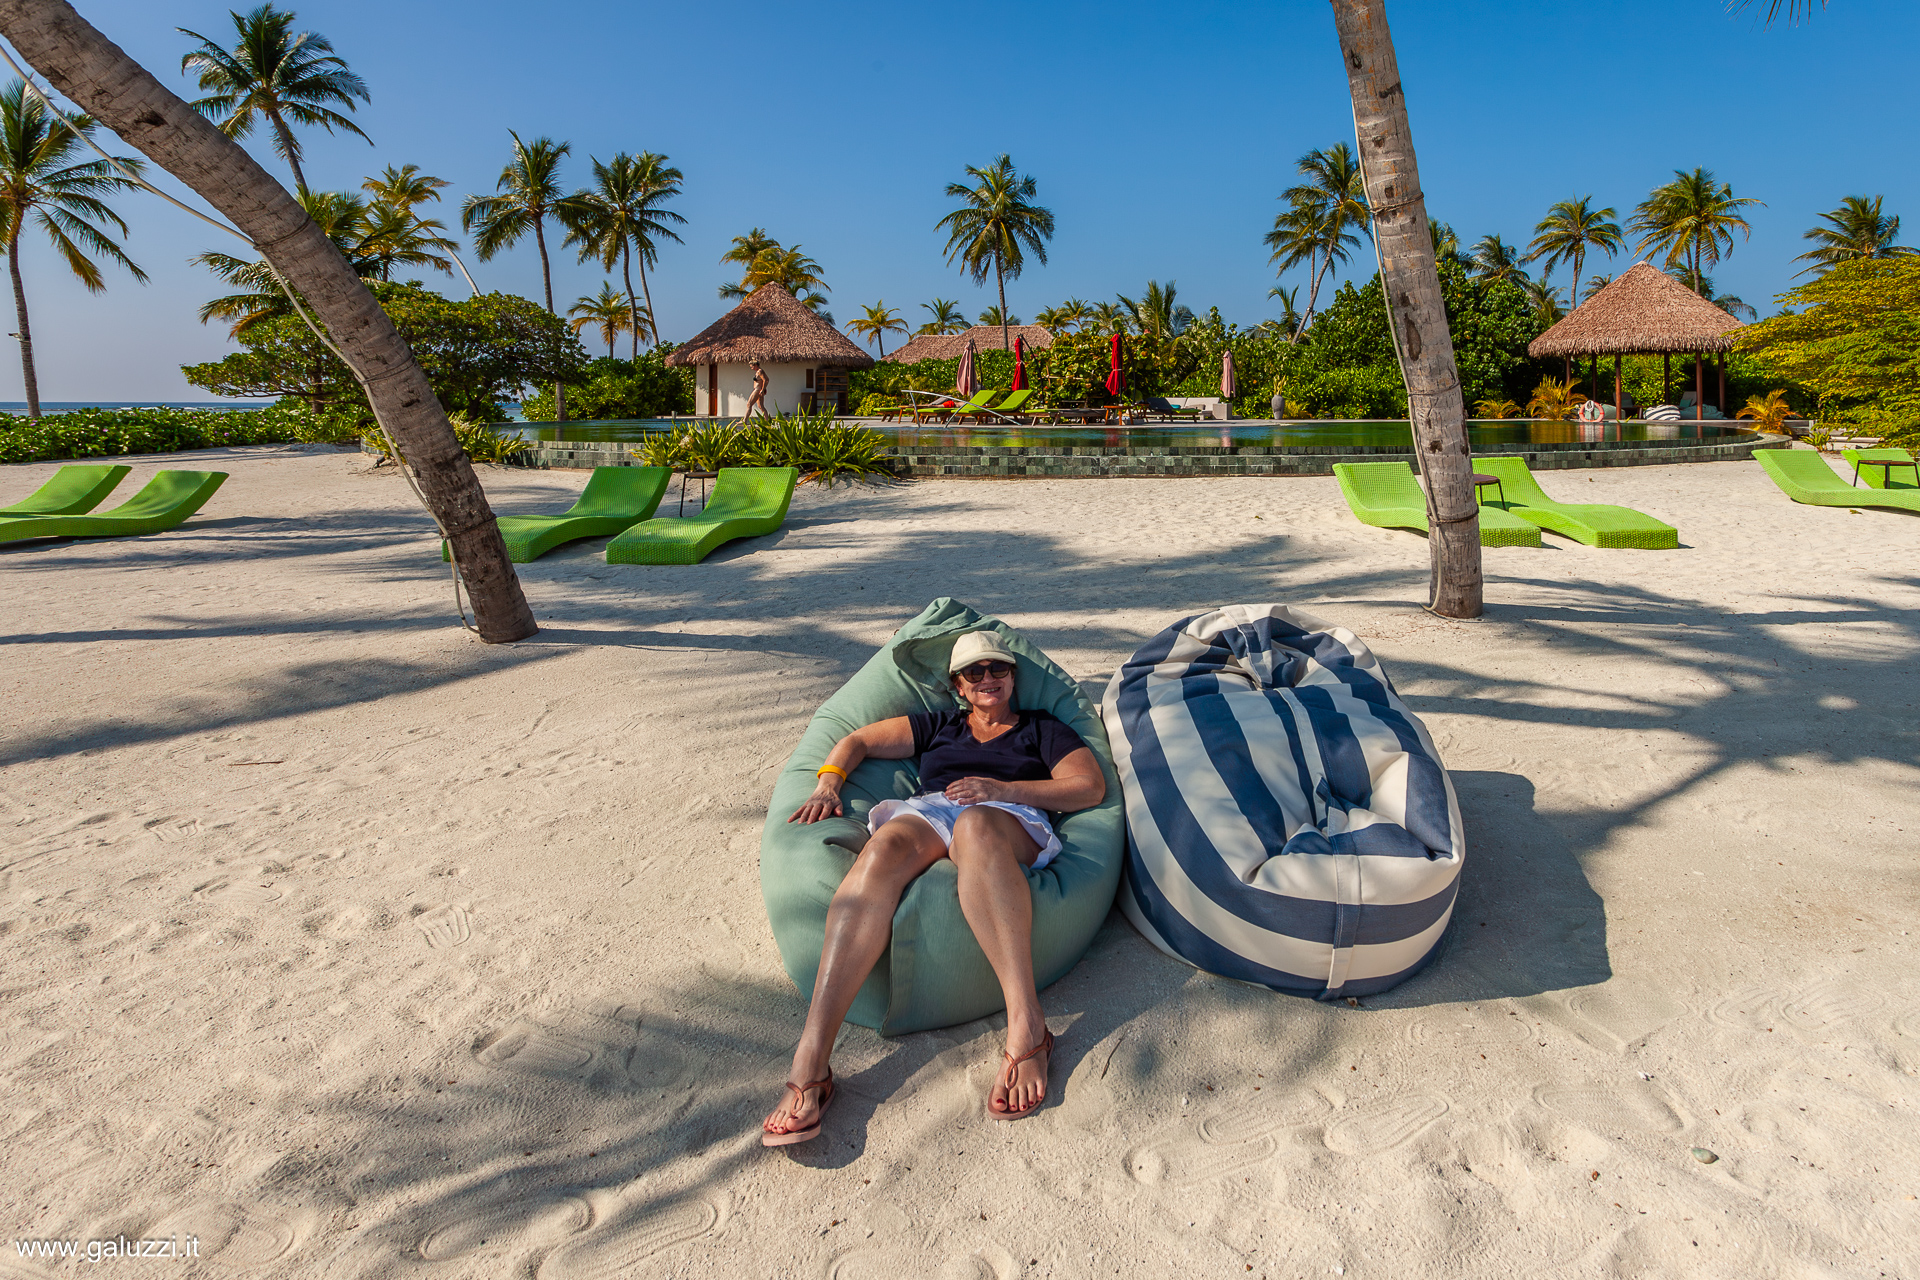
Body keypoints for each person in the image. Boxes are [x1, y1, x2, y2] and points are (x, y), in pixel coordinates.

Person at [762, 631, 1106, 1145]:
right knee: (880, 851)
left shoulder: (1042, 728)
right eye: (975, 673)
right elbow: (856, 740)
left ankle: (1028, 1026)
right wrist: (829, 781)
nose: (988, 678)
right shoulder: (941, 725)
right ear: (959, 687)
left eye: (998, 669)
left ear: (1013, 677)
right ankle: (811, 1059)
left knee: (976, 826)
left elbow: (1088, 787)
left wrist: (1000, 790)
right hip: (933, 811)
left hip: (1007, 815)